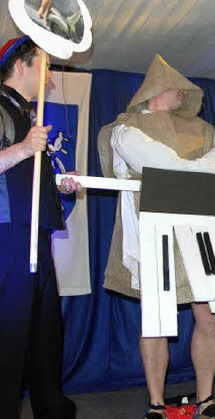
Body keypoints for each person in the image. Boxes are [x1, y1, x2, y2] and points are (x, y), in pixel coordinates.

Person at [97, 55, 215, 419]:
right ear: (158, 90)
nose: (183, 93)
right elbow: (167, 168)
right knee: (155, 319)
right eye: (178, 88)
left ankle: (205, 401)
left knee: (208, 316)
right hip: (154, 231)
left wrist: (199, 172)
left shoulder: (205, 130)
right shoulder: (125, 128)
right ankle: (157, 405)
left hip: (199, 232)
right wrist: (201, 172)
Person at [0, 36, 81, 419]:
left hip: (35, 231)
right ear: (21, 64)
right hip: (9, 233)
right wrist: (24, 149)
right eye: (44, 66)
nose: (49, 79)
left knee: (44, 330)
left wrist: (58, 183)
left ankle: (52, 409)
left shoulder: (26, 115)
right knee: (10, 331)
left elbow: (26, 172)